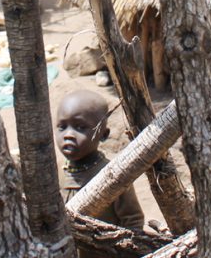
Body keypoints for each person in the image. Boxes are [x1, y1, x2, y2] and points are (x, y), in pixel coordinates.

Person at [55, 90, 144, 251]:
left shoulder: (113, 175)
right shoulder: (54, 173)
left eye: (80, 127)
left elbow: (133, 220)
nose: (68, 135)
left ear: (103, 134)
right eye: (62, 127)